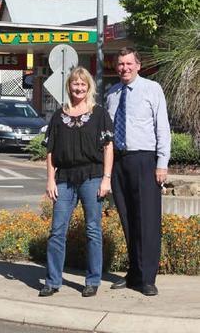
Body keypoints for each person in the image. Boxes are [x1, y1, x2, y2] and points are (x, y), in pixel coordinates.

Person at [39, 67, 114, 298]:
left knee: (92, 230)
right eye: (75, 84)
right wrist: (50, 179)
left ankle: (92, 281)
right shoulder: (58, 115)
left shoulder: (99, 114)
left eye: (83, 84)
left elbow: (108, 147)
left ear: (89, 86)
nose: (79, 88)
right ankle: (52, 281)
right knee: (56, 231)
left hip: (92, 176)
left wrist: (106, 179)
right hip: (63, 178)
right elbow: (50, 149)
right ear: (68, 86)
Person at [105, 47, 170, 296]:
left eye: (129, 63)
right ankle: (133, 273)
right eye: (120, 64)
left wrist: (162, 163)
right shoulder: (112, 93)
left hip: (145, 160)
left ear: (138, 65)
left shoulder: (152, 89)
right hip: (119, 162)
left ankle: (147, 277)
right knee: (128, 218)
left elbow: (162, 127)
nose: (125, 68)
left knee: (147, 220)